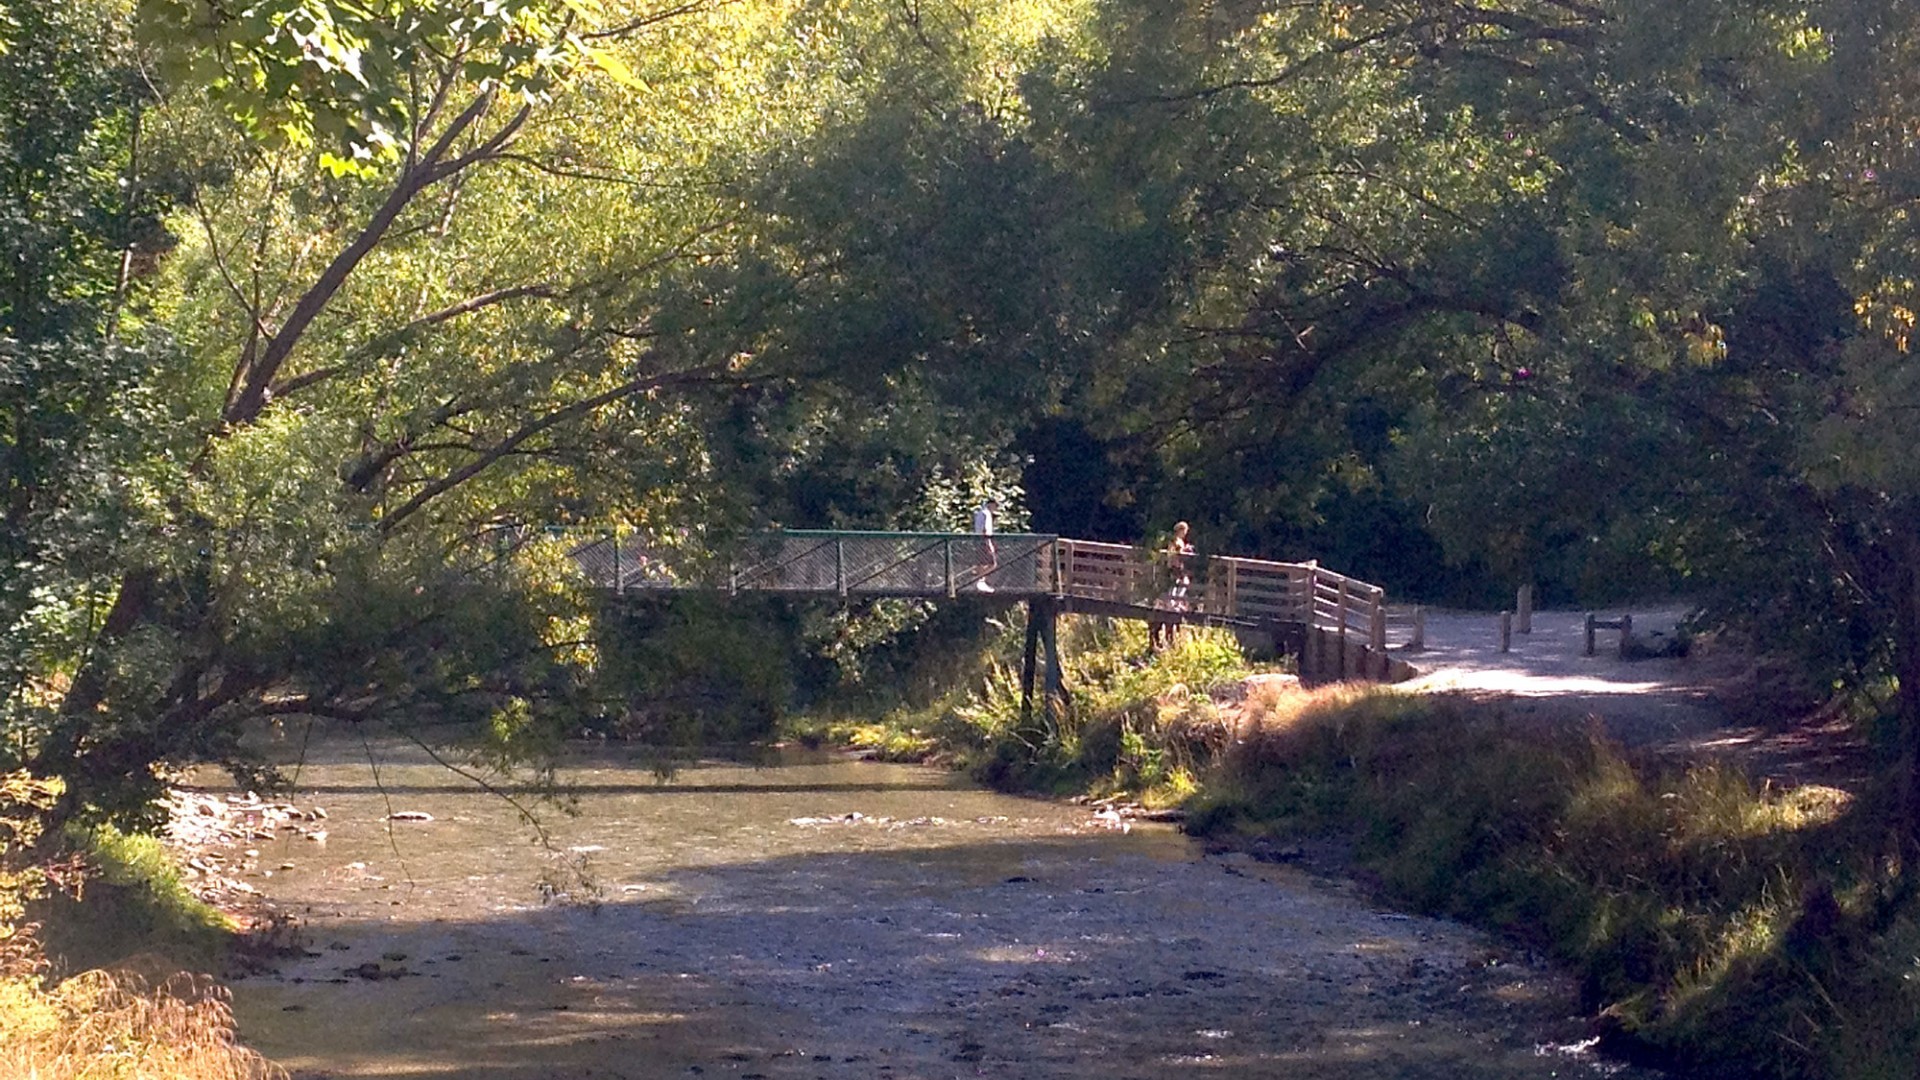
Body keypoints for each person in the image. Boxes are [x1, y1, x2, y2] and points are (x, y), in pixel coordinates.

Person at [1154, 521, 1194, 648]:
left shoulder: (1179, 541)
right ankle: (1173, 604)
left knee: (1184, 583)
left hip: (1178, 568)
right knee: (1176, 585)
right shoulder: (1175, 541)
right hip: (1174, 568)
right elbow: (1175, 553)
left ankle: (1176, 603)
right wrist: (1185, 550)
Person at [971, 498, 999, 591]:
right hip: (984, 540)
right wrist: (989, 543)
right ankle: (980, 581)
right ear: (990, 504)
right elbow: (985, 529)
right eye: (995, 506)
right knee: (992, 563)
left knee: (981, 563)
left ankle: (978, 580)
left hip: (977, 540)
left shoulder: (979, 513)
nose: (996, 508)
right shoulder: (987, 514)